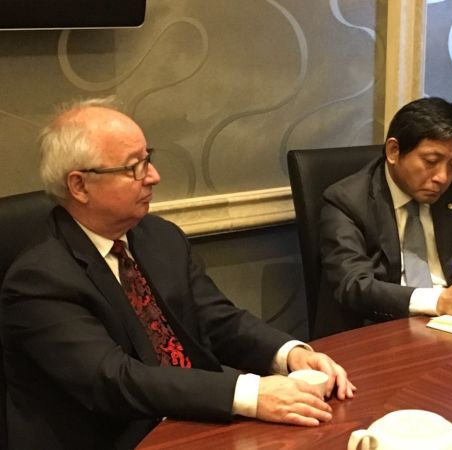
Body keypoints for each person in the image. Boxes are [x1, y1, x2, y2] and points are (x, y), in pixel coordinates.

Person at [0, 97, 356, 449]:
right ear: (79, 186)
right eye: (134, 167)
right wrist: (251, 393)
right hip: (113, 436)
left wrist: (288, 354)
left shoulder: (158, 236)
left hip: (189, 417)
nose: (154, 176)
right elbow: (113, 380)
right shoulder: (39, 278)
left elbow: (217, 319)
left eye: (148, 159)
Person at [315, 97, 452, 338]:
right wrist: (438, 301)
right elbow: (353, 285)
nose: (442, 177)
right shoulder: (347, 200)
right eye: (431, 162)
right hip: (379, 332)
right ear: (393, 151)